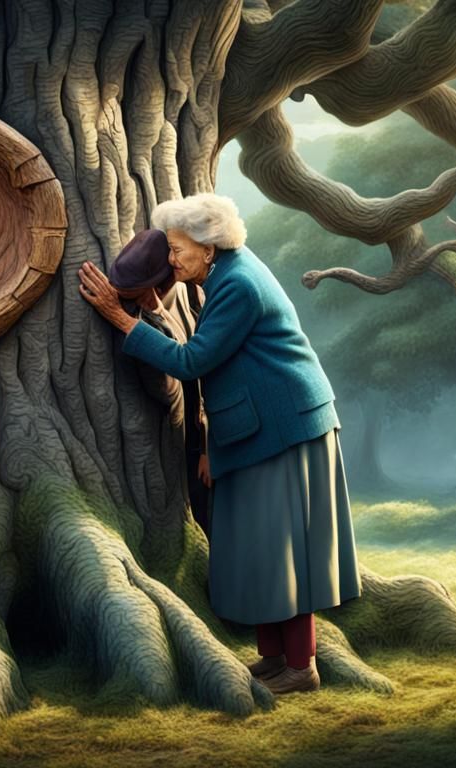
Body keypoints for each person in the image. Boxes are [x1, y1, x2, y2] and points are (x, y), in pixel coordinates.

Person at [77, 193, 360, 695]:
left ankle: (302, 667)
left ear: (209, 248)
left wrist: (122, 320)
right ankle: (274, 659)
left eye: (178, 250)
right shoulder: (222, 275)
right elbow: (217, 360)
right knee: (260, 549)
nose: (170, 259)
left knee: (283, 551)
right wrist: (213, 443)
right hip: (260, 429)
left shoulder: (237, 285)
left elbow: (193, 362)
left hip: (286, 431)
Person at [106, 228, 212, 539]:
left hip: (198, 438)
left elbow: (179, 381)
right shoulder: (167, 303)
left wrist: (209, 449)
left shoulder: (186, 296)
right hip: (190, 438)